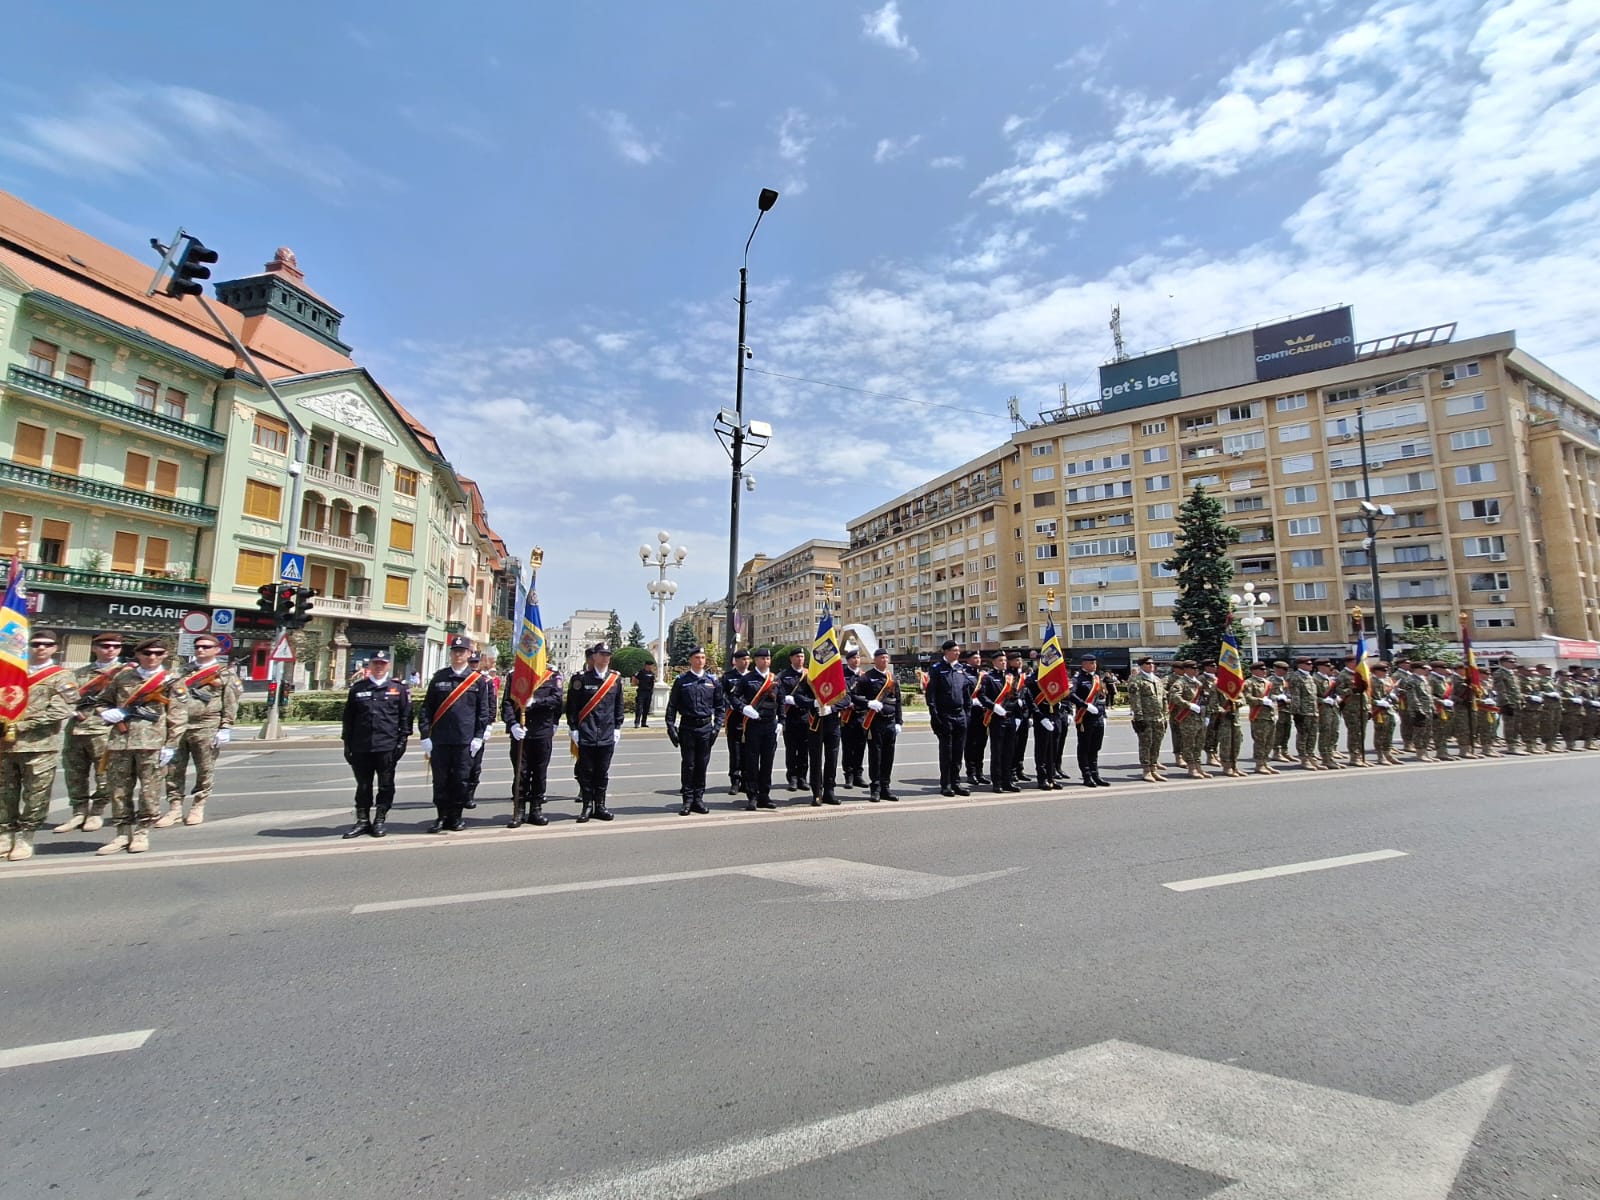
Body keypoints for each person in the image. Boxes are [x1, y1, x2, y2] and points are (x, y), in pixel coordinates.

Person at [95, 637, 188, 856]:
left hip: (152, 744)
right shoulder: (123, 677)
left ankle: (141, 832)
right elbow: (102, 702)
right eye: (147, 653)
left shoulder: (172, 681)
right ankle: (121, 833)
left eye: (157, 653)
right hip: (120, 742)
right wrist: (108, 714)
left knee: (149, 792)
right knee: (118, 791)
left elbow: (178, 716)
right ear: (138, 654)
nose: (152, 657)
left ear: (165, 655)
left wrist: (171, 745)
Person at [1, 629, 79, 861]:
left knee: (36, 795)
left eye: (46, 644)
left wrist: (20, 726)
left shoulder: (62, 677)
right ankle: (5, 834)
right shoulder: (11, 673)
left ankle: (26, 837)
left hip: (39, 746)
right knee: (5, 793)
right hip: (5, 745)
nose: (41, 648)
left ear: (56, 648)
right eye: (35, 644)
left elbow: (61, 710)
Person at [161, 631, 242, 827]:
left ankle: (198, 805)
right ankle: (174, 808)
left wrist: (226, 726)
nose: (200, 650)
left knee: (204, 769)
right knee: (173, 769)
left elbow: (230, 701)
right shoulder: (182, 672)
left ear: (216, 650)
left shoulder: (224, 673)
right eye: (198, 646)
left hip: (207, 725)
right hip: (178, 726)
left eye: (206, 647)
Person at [418, 634, 493, 833]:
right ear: (451, 654)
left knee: (461, 779)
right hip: (440, 739)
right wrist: (425, 735)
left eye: (462, 652)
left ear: (469, 654)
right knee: (440, 780)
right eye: (455, 651)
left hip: (464, 740)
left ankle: (456, 816)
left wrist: (479, 736)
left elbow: (482, 712)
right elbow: (427, 708)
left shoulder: (478, 681)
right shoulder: (439, 677)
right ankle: (441, 816)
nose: (458, 655)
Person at [55, 631, 124, 834]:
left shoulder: (126, 674)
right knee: (74, 774)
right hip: (76, 730)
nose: (110, 649)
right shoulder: (79, 673)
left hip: (105, 731)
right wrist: (73, 710)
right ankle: (78, 812)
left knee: (105, 775)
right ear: (94, 648)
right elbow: (65, 698)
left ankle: (96, 812)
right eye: (104, 646)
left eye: (115, 646)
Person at [339, 650, 411, 838]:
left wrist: (402, 741)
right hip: (361, 746)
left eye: (383, 663)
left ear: (388, 665)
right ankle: (362, 821)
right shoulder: (358, 688)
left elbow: (405, 717)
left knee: (386, 785)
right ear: (369, 665)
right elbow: (349, 718)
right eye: (376, 663)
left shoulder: (398, 689)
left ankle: (380, 819)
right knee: (363, 786)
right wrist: (347, 743)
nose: (379, 666)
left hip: (386, 746)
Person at [566, 642, 625, 822]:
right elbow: (572, 706)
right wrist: (573, 728)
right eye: (602, 654)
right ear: (595, 657)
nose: (605, 657)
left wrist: (617, 727)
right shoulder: (581, 679)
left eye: (608, 654)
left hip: (607, 733)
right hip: (587, 733)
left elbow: (618, 705)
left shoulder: (614, 679)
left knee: (602, 772)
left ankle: (600, 806)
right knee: (586, 772)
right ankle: (586, 807)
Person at [665, 646, 725, 815]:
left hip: (706, 728)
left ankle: (698, 799)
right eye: (697, 657)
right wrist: (670, 727)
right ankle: (687, 799)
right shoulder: (681, 680)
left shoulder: (712, 681)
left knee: (702, 765)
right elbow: (672, 706)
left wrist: (717, 727)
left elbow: (720, 706)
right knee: (689, 765)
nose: (700, 660)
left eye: (703, 657)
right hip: (687, 727)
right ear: (691, 660)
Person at [504, 666, 562, 828]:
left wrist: (536, 702)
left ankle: (536, 809)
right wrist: (512, 724)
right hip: (520, 731)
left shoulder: (552, 676)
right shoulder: (514, 674)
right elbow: (507, 703)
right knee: (520, 772)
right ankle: (519, 809)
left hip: (542, 730)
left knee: (539, 772)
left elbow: (557, 699)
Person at [925, 640, 973, 796]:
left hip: (960, 715)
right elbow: (931, 695)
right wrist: (934, 715)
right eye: (954, 650)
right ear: (946, 652)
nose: (958, 653)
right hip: (945, 715)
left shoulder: (961, 669)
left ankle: (956, 782)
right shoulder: (937, 669)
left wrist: (967, 713)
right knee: (947, 752)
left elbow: (966, 694)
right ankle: (946, 784)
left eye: (958, 650)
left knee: (959, 751)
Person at [855, 647, 902, 801]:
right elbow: (854, 697)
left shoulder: (892, 678)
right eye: (881, 658)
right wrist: (869, 703)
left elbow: (898, 702)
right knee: (876, 756)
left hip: (890, 722)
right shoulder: (866, 678)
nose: (884, 660)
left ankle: (886, 787)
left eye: (886, 658)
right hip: (875, 722)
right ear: (875, 660)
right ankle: (875, 788)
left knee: (889, 756)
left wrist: (898, 722)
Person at [737, 647, 780, 810]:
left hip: (770, 725)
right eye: (762, 659)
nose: (766, 661)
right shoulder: (747, 679)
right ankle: (752, 796)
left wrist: (781, 721)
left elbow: (781, 701)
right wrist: (743, 708)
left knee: (768, 761)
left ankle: (765, 795)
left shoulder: (775, 679)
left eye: (768, 659)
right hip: (754, 725)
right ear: (756, 660)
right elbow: (733, 697)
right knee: (752, 762)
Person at [790, 673, 841, 806]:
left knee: (832, 758)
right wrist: (812, 702)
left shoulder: (835, 674)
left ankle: (829, 791)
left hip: (833, 722)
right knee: (816, 759)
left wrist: (832, 708)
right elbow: (798, 697)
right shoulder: (811, 677)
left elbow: (846, 697)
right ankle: (817, 792)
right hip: (816, 723)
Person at [1064, 653, 1113, 787]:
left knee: (1095, 747)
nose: (1094, 665)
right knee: (1085, 747)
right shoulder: (1077, 679)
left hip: (1098, 717)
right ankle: (1086, 775)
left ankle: (1095, 774)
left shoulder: (1097, 678)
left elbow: (1101, 696)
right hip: (1085, 717)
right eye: (1091, 663)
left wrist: (1104, 715)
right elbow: (1070, 694)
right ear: (1084, 664)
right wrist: (1085, 705)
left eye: (1094, 663)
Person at [978, 648, 1022, 793]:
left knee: (1009, 752)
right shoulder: (988, 678)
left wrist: (1016, 710)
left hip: (1009, 718)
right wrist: (994, 707)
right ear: (994, 662)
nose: (1003, 663)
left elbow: (1014, 696)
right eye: (1000, 661)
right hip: (996, 719)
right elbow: (982, 696)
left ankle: (1007, 781)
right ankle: (997, 783)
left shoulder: (1009, 677)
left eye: (1004, 660)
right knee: (997, 752)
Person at [462, 651, 500, 809]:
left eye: (475, 663)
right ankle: (459, 795)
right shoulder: (460, 679)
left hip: (478, 729)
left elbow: (490, 705)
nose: (473, 665)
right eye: (471, 662)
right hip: (462, 729)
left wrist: (488, 726)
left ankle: (470, 794)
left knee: (475, 765)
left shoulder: (485, 681)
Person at [1023, 659, 1065, 790]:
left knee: (1054, 749)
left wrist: (1066, 711)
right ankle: (1042, 779)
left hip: (1056, 715)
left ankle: (1051, 777)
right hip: (1042, 717)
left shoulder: (1055, 675)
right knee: (1042, 749)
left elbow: (1064, 694)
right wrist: (1038, 717)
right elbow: (1029, 699)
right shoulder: (1032, 679)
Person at [1127, 656, 1168, 783]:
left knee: (1156, 743)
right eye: (1148, 664)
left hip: (1159, 718)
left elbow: (1164, 698)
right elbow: (1135, 700)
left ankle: (1154, 768)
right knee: (1146, 744)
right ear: (1142, 665)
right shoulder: (1137, 680)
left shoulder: (1157, 680)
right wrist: (1139, 717)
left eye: (1153, 664)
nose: (1152, 665)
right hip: (1146, 718)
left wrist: (1166, 715)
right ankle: (1146, 770)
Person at [777, 648, 810, 792]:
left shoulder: (809, 674)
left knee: (804, 749)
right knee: (791, 749)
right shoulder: (783, 675)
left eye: (802, 656)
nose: (800, 659)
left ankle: (802, 777)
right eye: (797, 656)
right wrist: (786, 699)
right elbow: (778, 694)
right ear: (791, 659)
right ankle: (792, 778)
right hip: (790, 716)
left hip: (805, 716)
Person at [1242, 661, 1280, 775]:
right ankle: (1259, 764)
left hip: (1270, 715)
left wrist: (1276, 698)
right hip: (1258, 715)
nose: (1264, 671)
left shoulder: (1268, 682)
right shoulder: (1249, 682)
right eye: (1261, 669)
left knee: (1270, 741)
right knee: (1260, 741)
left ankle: (1265, 763)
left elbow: (1271, 695)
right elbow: (1247, 697)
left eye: (1265, 669)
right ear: (1254, 671)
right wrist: (1261, 701)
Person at [720, 649, 749, 795]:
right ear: (735, 661)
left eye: (747, 659)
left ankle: (746, 780)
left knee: (748, 752)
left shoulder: (752, 676)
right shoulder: (728, 677)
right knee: (735, 752)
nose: (746, 662)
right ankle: (735, 780)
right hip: (734, 718)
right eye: (743, 659)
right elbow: (722, 695)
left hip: (749, 720)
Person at [839, 647, 868, 789]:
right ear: (848, 660)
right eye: (853, 658)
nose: (856, 660)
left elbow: (869, 695)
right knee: (848, 747)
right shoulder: (842, 675)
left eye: (858, 658)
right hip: (847, 716)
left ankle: (858, 775)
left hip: (862, 715)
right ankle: (848, 775)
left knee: (861, 746)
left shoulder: (864, 676)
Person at [960, 649, 990, 786]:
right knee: (970, 744)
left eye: (979, 658)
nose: (978, 660)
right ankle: (971, 773)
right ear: (968, 659)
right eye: (975, 658)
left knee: (981, 743)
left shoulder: (982, 674)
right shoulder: (963, 673)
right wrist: (970, 702)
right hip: (970, 712)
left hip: (982, 713)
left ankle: (980, 772)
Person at [1287, 657, 1318, 769]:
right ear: (1300, 665)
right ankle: (1304, 759)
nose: (1311, 665)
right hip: (1303, 712)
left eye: (1311, 663)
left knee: (1312, 735)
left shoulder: (1309, 677)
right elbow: (1295, 696)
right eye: (1308, 664)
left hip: (1312, 711)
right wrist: (1297, 713)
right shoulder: (1296, 677)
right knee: (1303, 736)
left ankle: (1310, 756)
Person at [1007, 649, 1033, 783]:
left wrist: (1029, 715)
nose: (1019, 662)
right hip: (1012, 715)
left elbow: (1028, 696)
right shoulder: (1008, 676)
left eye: (1020, 660)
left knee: (1022, 744)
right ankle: (1010, 771)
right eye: (1016, 660)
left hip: (1024, 715)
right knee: (1013, 745)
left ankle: (1019, 769)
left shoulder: (1023, 676)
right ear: (1010, 662)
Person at [1368, 661, 1401, 764]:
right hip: (1379, 711)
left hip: (1389, 709)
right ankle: (1380, 755)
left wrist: (1394, 697)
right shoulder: (1370, 681)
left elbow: (1390, 692)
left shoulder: (1387, 680)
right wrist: (1376, 702)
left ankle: (1388, 753)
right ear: (1376, 671)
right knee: (1380, 733)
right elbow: (1366, 697)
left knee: (1389, 732)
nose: (1386, 672)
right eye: (1383, 670)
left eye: (1386, 670)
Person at [633, 660, 656, 728]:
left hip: (649, 692)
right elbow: (634, 678)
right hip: (641, 692)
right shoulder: (641, 672)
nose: (650, 667)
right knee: (639, 708)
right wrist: (637, 684)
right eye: (649, 665)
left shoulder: (652, 673)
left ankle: (644, 723)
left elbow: (653, 681)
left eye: (651, 665)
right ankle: (637, 723)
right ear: (646, 665)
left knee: (646, 708)